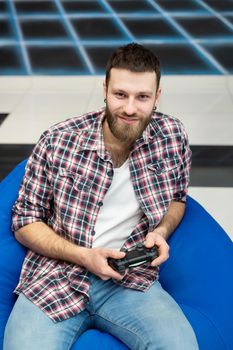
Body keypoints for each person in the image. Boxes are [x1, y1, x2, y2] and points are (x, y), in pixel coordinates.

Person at [4, 43, 198, 350]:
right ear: (105, 89)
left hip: (130, 278)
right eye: (120, 94)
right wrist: (83, 256)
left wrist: (160, 231)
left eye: (143, 97)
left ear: (157, 96)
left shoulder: (172, 135)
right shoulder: (59, 140)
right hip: (57, 277)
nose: (131, 108)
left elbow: (177, 198)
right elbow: (25, 220)